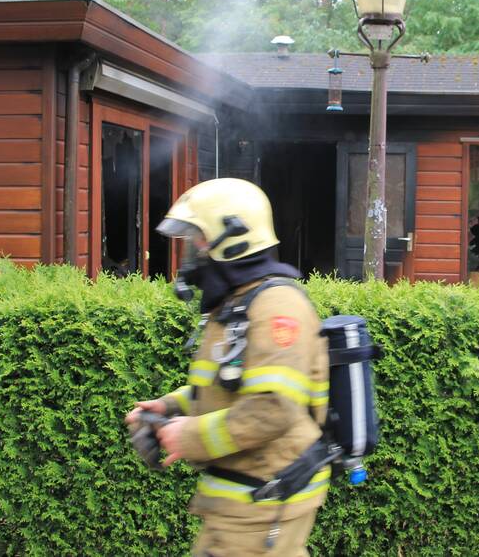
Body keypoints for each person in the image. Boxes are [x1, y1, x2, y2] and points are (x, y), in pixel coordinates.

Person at [125, 178, 329, 557]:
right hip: (239, 506)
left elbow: (273, 408)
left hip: (265, 504)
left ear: (233, 239)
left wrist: (188, 437)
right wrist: (171, 407)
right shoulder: (237, 304)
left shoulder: (276, 308)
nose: (192, 251)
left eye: (199, 238)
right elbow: (227, 385)